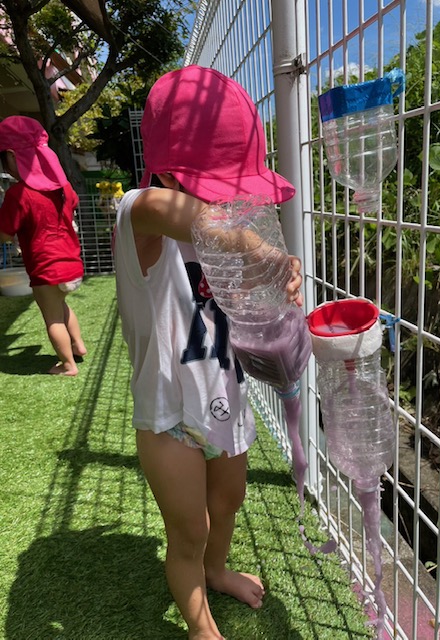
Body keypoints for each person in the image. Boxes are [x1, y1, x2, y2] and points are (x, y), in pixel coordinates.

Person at [114, 65, 303, 640]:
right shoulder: (141, 217)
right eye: (223, 182)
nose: (236, 198)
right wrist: (259, 249)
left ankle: (216, 571)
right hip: (169, 414)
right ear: (171, 172)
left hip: (227, 395)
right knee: (189, 529)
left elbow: (241, 302)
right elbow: (179, 214)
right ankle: (200, 625)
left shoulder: (228, 228)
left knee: (229, 501)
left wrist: (278, 284)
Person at [0, 116, 86, 376]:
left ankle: (68, 365)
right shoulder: (64, 188)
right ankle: (78, 346)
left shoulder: (18, 194)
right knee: (62, 307)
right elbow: (73, 202)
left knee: (52, 317)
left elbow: (4, 234)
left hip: (45, 268)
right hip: (71, 264)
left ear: (13, 157)